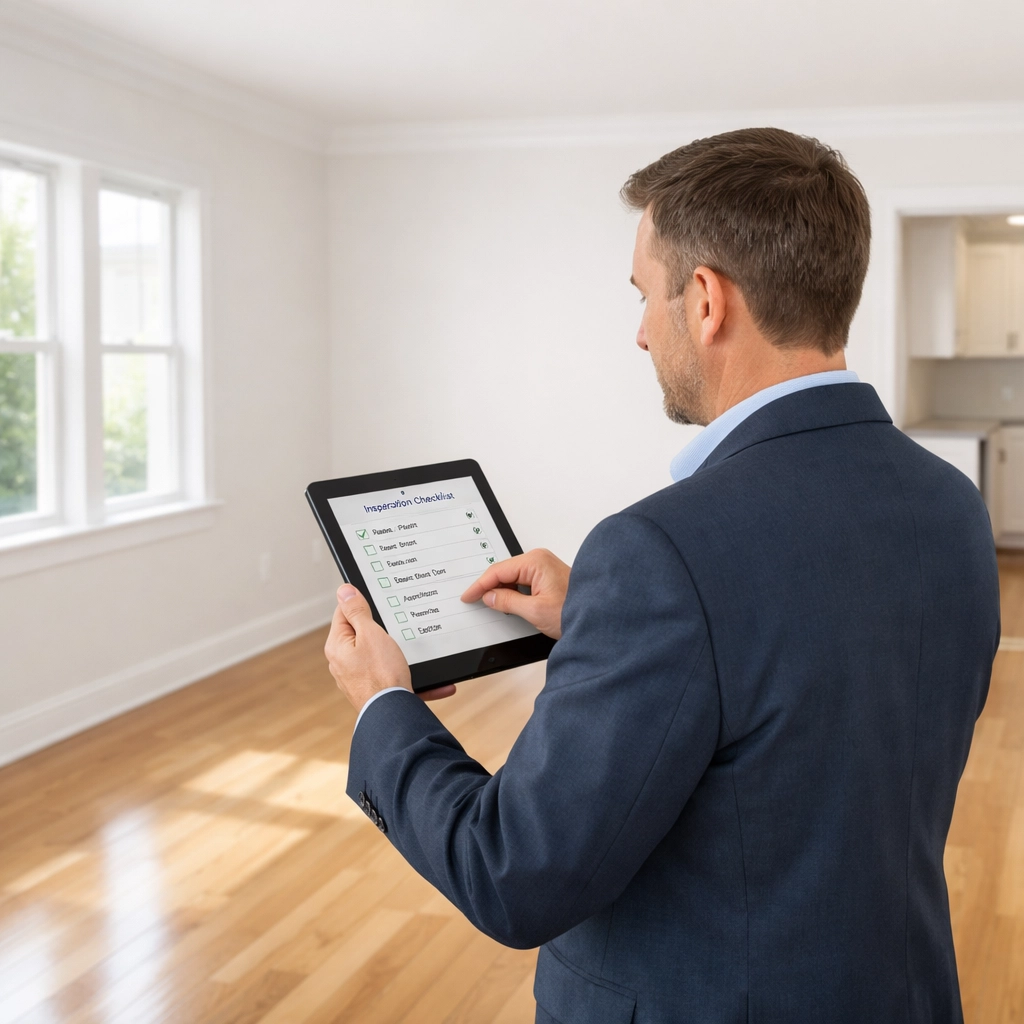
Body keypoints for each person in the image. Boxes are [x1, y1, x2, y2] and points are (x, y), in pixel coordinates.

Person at [323, 128, 1000, 1024]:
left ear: (707, 301)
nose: (641, 333)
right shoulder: (952, 505)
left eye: (645, 294)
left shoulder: (662, 551)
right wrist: (601, 616)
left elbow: (512, 872)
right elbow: (812, 680)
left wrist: (383, 705)